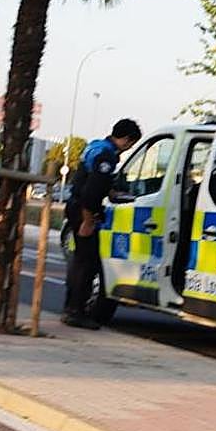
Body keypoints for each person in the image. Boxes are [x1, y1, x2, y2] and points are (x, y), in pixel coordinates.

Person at [63, 118, 142, 329]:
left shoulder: (96, 146)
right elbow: (91, 192)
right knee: (88, 264)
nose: (129, 148)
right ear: (125, 139)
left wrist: (111, 192)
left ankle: (70, 308)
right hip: (84, 211)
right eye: (131, 144)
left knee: (80, 261)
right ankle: (76, 312)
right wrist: (88, 221)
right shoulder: (106, 156)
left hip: (76, 207)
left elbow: (90, 181)